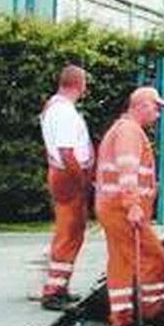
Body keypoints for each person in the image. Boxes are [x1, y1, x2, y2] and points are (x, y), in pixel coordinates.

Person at [96, 86, 164, 326]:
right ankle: (152, 310)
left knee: (121, 261)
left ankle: (122, 319)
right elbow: (127, 168)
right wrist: (132, 203)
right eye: (156, 108)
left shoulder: (123, 130)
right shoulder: (130, 132)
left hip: (113, 206)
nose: (157, 114)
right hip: (123, 208)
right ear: (141, 106)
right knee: (155, 257)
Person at [39, 65, 95, 311]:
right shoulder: (63, 112)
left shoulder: (55, 108)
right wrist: (82, 180)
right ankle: (53, 290)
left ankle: (60, 285)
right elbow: (66, 151)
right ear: (79, 84)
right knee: (69, 232)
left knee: (70, 232)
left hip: (62, 173)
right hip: (68, 176)